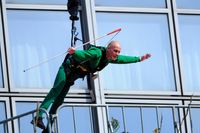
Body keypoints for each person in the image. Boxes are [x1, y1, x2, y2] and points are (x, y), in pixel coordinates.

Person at [31, 40, 151, 129]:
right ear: (108, 48)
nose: (117, 54)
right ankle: (38, 116)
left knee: (59, 101)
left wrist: (139, 58)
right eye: (115, 51)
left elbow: (124, 59)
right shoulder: (97, 52)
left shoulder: (109, 59)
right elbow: (84, 55)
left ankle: (49, 128)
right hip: (67, 69)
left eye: (118, 52)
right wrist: (74, 52)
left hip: (72, 76)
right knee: (56, 91)